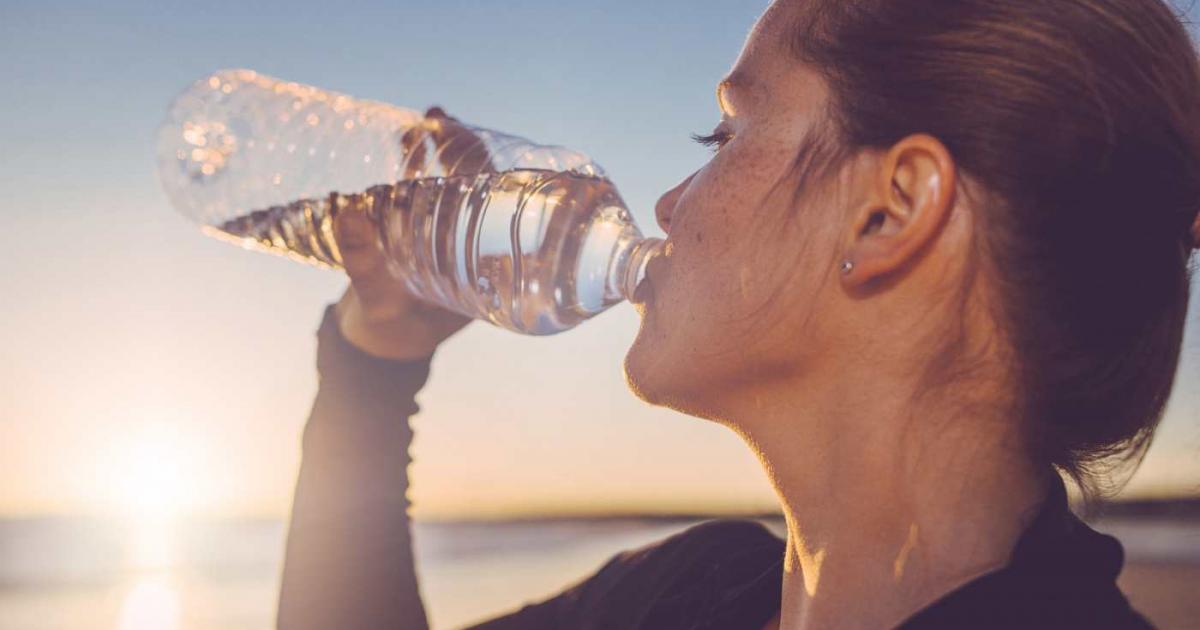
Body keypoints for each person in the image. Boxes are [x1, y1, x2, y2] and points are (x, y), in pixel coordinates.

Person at [275, 1, 1200, 628]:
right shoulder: (691, 594)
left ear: (889, 212)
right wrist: (374, 361)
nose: (670, 202)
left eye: (725, 133)